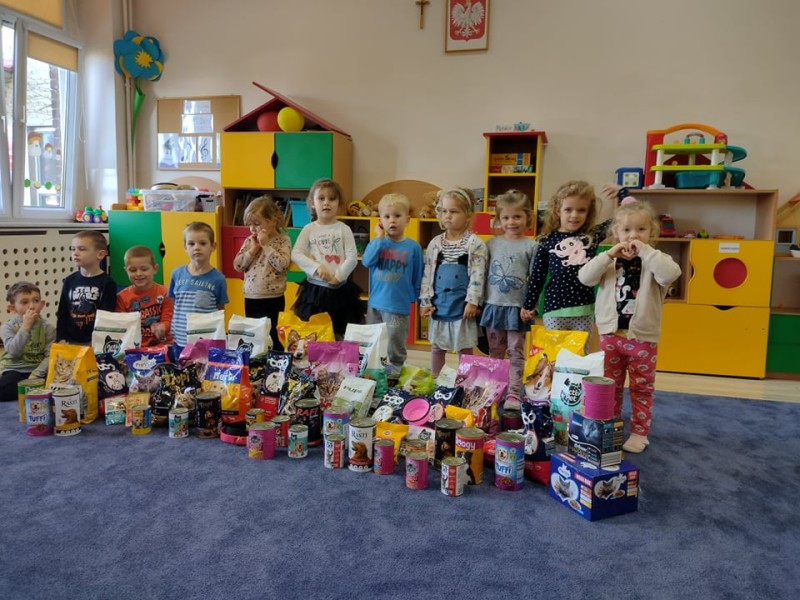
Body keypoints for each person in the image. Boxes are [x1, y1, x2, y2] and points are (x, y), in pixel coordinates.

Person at [578, 193, 681, 453]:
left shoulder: (655, 259)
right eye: (626, 230)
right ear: (616, 232)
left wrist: (646, 251)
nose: (633, 235)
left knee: (641, 388)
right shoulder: (609, 259)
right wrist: (608, 255)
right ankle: (611, 426)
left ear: (651, 232)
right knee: (609, 387)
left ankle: (639, 432)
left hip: (642, 337)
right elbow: (585, 278)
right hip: (611, 335)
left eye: (641, 229)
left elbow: (671, 274)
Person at [521, 180, 613, 352]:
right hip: (554, 310)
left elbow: (621, 219)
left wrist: (622, 194)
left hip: (584, 310)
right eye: (568, 209)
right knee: (553, 356)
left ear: (588, 212)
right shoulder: (547, 241)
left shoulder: (592, 236)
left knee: (579, 357)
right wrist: (528, 305)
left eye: (581, 210)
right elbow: (537, 277)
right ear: (558, 210)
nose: (574, 215)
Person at [479, 190, 539, 409]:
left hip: (517, 310)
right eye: (506, 217)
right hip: (493, 307)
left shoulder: (532, 246)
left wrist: (531, 306)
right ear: (499, 219)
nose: (511, 222)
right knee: (495, 352)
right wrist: (478, 302)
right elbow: (481, 275)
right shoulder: (490, 245)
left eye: (517, 217)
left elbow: (535, 280)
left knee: (516, 352)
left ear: (527, 218)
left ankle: (513, 393)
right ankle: (494, 389)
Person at [419, 187, 487, 377]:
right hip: (439, 305)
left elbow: (478, 275)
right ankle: (436, 380)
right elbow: (427, 273)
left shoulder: (475, 243)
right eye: (444, 211)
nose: (447, 216)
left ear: (468, 215)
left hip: (462, 307)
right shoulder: (435, 243)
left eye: (454, 211)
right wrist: (425, 301)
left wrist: (473, 301)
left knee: (465, 348)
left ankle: (465, 382)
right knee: (437, 347)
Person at [290, 178, 363, 337]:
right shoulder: (309, 229)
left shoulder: (344, 229)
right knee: (314, 334)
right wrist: (317, 268)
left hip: (340, 290)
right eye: (321, 198)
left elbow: (352, 257)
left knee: (339, 333)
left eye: (332, 198)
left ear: (339, 203)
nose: (326, 203)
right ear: (312, 203)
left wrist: (338, 277)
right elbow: (296, 254)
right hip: (315, 291)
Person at [361, 193, 424, 377]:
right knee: (374, 340)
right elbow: (366, 261)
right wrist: (379, 238)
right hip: (375, 304)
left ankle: (396, 371)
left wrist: (416, 299)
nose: (392, 220)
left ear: (407, 220)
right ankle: (373, 370)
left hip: (398, 305)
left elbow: (418, 275)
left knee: (396, 341)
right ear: (380, 221)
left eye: (397, 216)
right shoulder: (378, 243)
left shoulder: (413, 247)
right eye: (387, 216)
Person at [232, 195, 291, 351]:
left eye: (257, 224)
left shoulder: (283, 241)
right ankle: (257, 361)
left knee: (273, 335)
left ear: (273, 221)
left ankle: (274, 361)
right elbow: (238, 265)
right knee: (255, 335)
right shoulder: (249, 241)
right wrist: (252, 250)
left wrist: (266, 246)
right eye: (250, 224)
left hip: (274, 298)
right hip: (252, 297)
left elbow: (283, 265)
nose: (252, 229)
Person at [168, 221, 229, 359]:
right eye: (191, 243)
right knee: (181, 370)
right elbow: (173, 304)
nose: (196, 248)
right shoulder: (176, 274)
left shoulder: (218, 279)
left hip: (205, 341)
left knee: (203, 370)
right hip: (180, 339)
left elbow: (220, 310)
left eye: (202, 243)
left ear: (213, 246)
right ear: (185, 247)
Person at [56, 230, 118, 344]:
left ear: (100, 254)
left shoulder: (107, 283)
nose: (75, 253)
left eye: (82, 249)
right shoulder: (69, 280)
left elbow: (107, 316)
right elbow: (62, 312)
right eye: (73, 249)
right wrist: (60, 337)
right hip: (71, 340)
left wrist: (99, 342)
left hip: (95, 342)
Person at [0, 282, 56, 401]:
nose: (31, 306)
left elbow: (50, 355)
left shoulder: (48, 328)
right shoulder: (8, 327)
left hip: (39, 369)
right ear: (13, 308)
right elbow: (14, 351)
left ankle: (32, 392)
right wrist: (25, 327)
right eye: (25, 302)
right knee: (4, 390)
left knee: (56, 384)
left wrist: (37, 374)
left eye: (36, 301)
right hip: (16, 369)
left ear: (42, 304)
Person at [116, 245, 174, 347]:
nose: (138, 273)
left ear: (155, 269)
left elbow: (168, 319)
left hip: (163, 346)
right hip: (134, 346)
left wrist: (162, 326)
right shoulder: (122, 297)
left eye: (144, 269)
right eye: (133, 270)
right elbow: (121, 324)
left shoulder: (165, 293)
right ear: (126, 271)